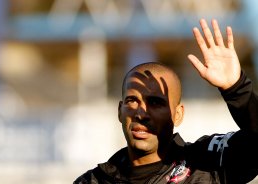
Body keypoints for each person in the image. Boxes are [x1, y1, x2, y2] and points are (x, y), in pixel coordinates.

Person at [74, 19, 258, 183]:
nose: (141, 113)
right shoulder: (93, 180)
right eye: (132, 100)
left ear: (178, 114)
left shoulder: (206, 162)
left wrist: (237, 88)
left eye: (155, 103)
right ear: (120, 111)